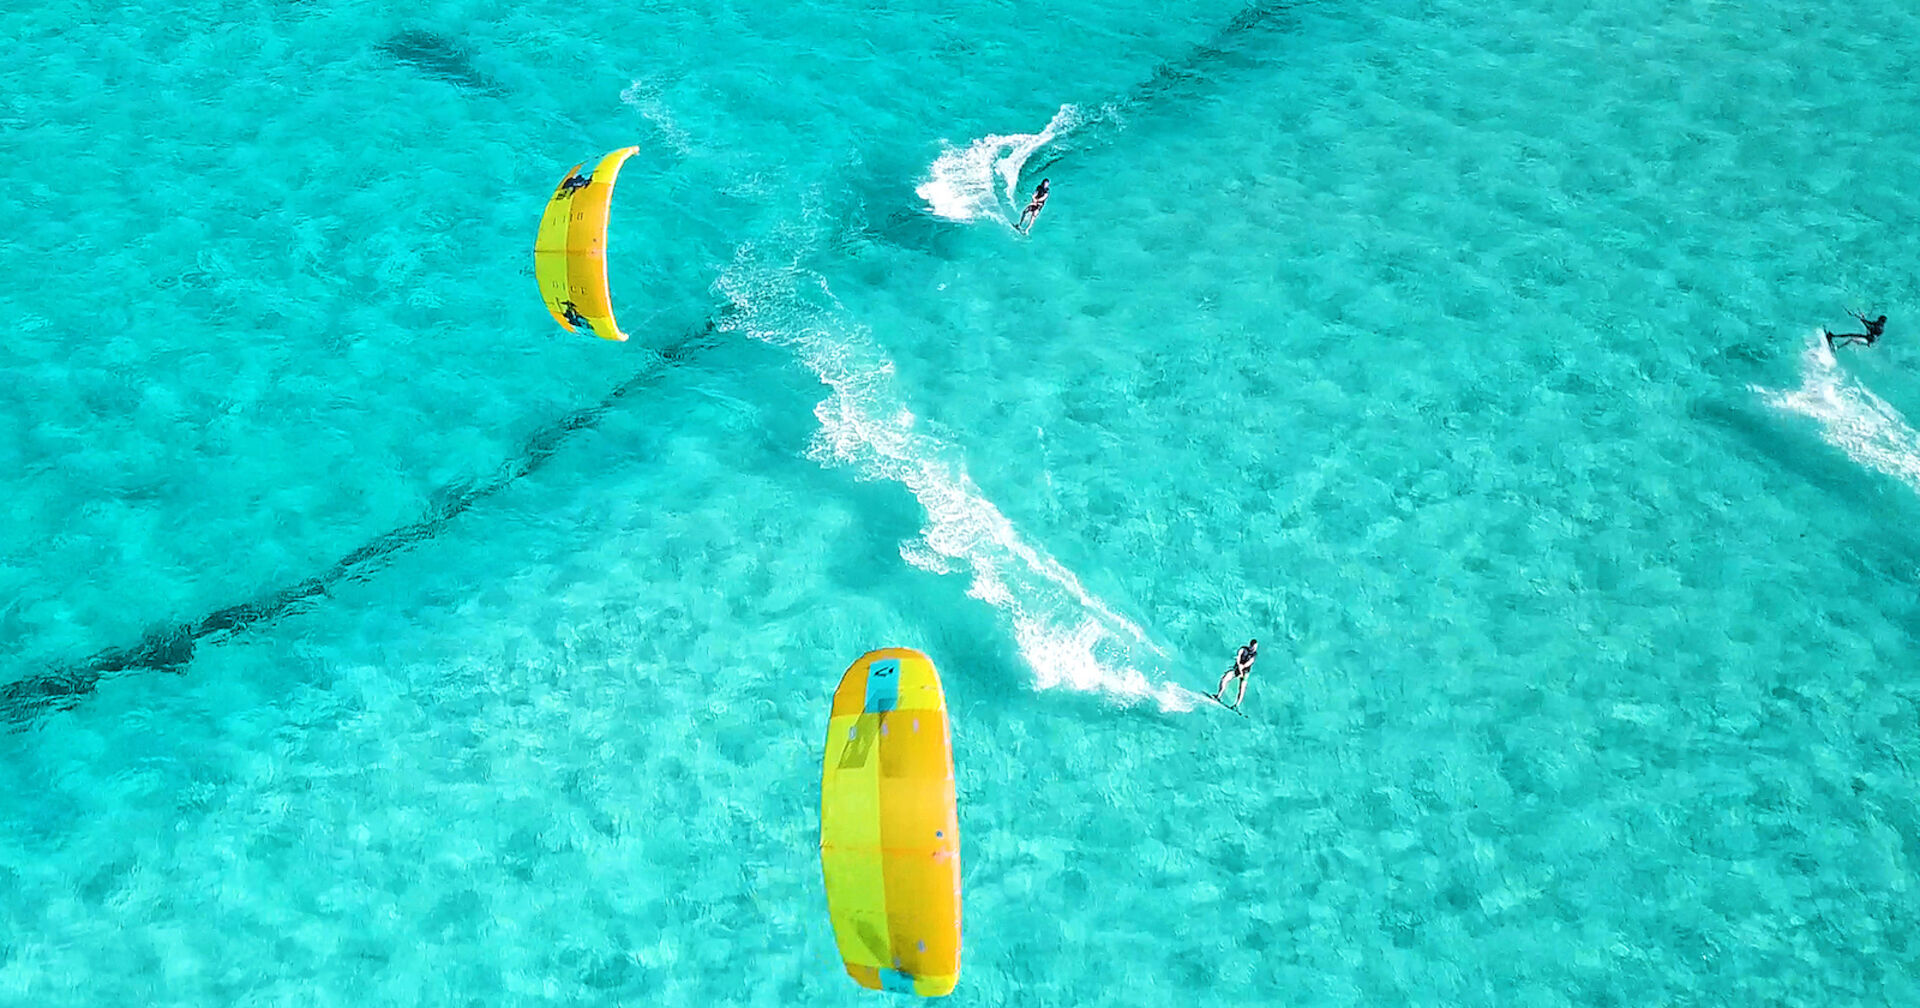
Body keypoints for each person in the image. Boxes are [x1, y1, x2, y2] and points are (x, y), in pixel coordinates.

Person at [1211, 638, 1257, 709]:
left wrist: (1242, 668)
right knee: (1225, 679)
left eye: (1255, 647)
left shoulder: (1254, 655)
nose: (1254, 649)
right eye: (1253, 647)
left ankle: (1236, 705)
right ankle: (1219, 695)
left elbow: (1249, 663)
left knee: (1242, 688)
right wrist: (1239, 666)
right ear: (1250, 645)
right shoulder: (1243, 649)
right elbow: (1238, 658)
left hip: (1245, 672)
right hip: (1237, 668)